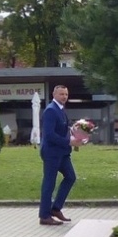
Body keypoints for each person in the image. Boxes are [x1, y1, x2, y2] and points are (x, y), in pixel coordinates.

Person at [38, 84, 75, 226]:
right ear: (54, 95)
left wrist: (76, 132)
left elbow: (63, 128)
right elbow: (49, 135)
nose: (64, 97)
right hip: (51, 153)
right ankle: (44, 216)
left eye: (66, 94)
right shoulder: (50, 111)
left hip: (63, 153)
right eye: (61, 94)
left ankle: (56, 208)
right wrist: (69, 142)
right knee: (49, 183)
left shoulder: (60, 109)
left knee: (71, 177)